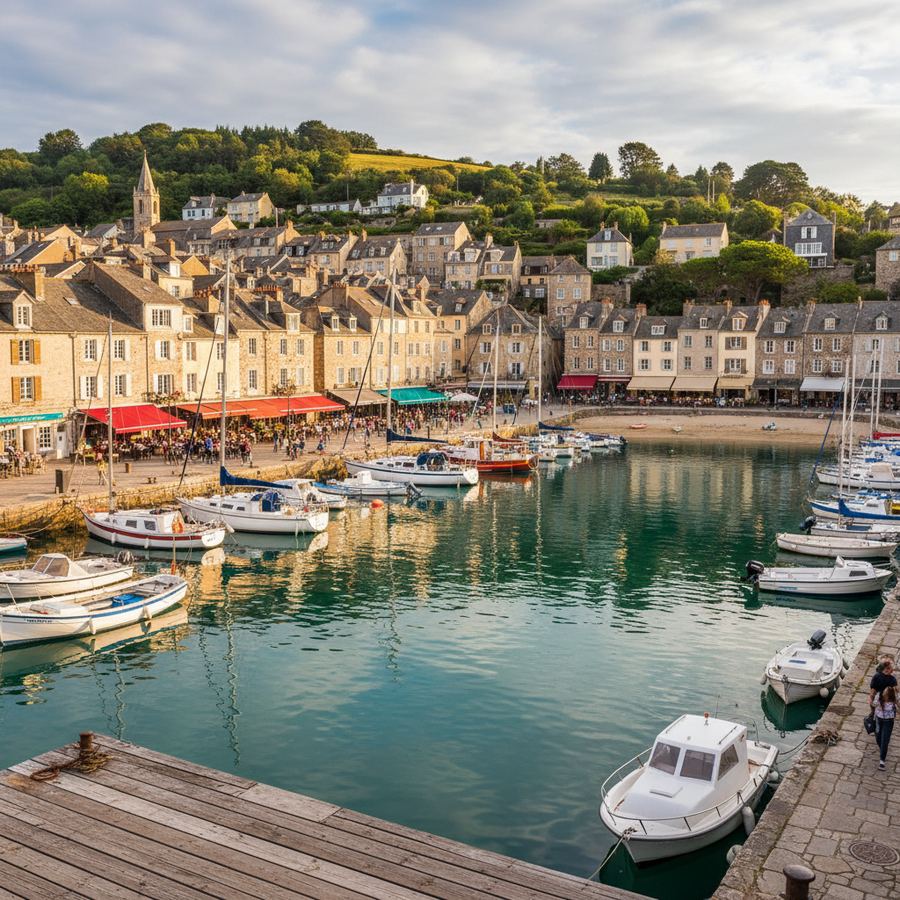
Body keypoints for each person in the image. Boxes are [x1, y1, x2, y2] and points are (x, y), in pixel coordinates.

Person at [874, 684, 897, 770]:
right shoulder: (879, 697)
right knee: (878, 738)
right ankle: (883, 749)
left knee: (885, 740)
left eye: (886, 691)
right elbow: (873, 704)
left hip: (888, 722)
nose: (884, 692)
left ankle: (882, 761)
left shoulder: (893, 701)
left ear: (889, 694)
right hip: (878, 720)